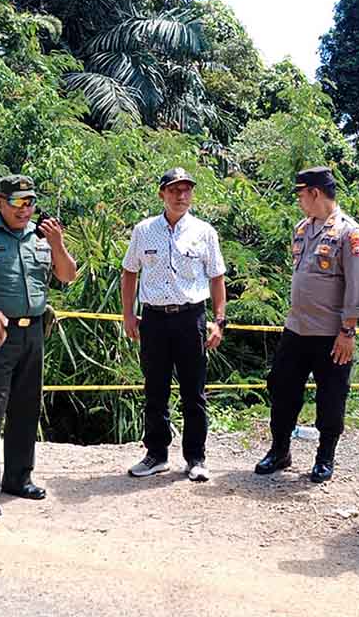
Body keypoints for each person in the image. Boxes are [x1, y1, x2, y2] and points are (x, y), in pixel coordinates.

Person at [0, 174, 78, 522]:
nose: (25, 209)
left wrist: (58, 244)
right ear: (0, 202)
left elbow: (67, 275)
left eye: (30, 202)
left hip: (33, 332)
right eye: (18, 202)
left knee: (26, 408)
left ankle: (18, 478)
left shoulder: (42, 236)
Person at [254, 166, 359, 483]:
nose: (299, 201)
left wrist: (348, 332)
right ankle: (280, 451)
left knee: (331, 397)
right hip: (296, 329)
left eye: (301, 194)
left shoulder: (350, 233)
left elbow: (355, 287)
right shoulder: (302, 229)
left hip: (331, 334)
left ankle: (325, 457)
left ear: (315, 193)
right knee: (281, 387)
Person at [120, 167, 227, 482]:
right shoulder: (143, 230)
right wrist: (128, 313)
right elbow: (130, 272)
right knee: (155, 389)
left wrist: (219, 320)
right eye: (174, 190)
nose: (181, 196)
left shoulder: (204, 231)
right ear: (162, 194)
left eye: (186, 190)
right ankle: (156, 454)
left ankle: (195, 458)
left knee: (193, 391)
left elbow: (217, 276)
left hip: (190, 316)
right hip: (153, 319)